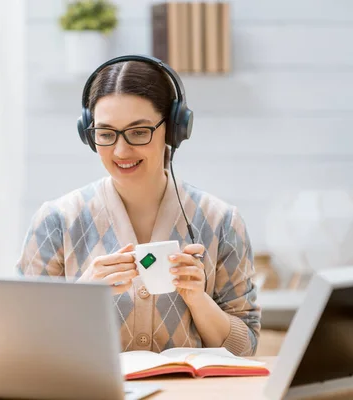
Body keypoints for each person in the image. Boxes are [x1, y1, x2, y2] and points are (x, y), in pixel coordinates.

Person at [16, 55, 260, 357]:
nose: (120, 150)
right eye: (105, 134)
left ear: (173, 130)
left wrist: (199, 300)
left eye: (139, 132)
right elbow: (24, 342)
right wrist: (82, 296)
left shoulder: (221, 221)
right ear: (88, 135)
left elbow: (246, 347)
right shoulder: (55, 220)